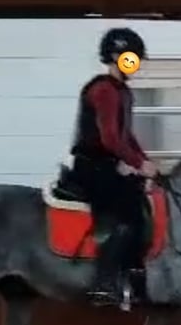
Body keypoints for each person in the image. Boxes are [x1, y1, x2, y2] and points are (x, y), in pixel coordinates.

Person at [68, 27, 158, 306]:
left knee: (142, 205)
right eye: (132, 58)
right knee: (129, 213)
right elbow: (109, 139)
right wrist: (137, 163)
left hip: (107, 165)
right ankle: (104, 283)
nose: (136, 63)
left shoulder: (123, 92)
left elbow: (126, 135)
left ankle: (132, 273)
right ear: (118, 57)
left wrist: (146, 162)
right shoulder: (104, 90)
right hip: (92, 167)